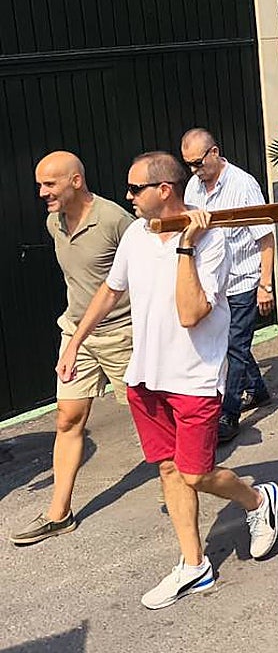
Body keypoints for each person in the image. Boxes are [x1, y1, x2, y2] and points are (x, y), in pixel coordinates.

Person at [57, 152, 278, 609]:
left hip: (194, 378)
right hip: (146, 375)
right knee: (167, 468)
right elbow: (110, 289)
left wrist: (186, 245)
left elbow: (191, 313)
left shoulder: (210, 237)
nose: (127, 196)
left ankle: (257, 501)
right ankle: (194, 564)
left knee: (196, 473)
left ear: (164, 190)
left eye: (135, 188)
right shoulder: (136, 234)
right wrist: (75, 341)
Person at [9, 153, 134, 547]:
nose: (42, 193)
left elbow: (146, 273)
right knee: (67, 419)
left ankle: (190, 480)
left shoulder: (116, 221)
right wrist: (76, 336)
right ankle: (58, 514)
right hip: (76, 333)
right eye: (40, 185)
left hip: (121, 333)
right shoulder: (54, 222)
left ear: (76, 181)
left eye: (49, 184)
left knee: (152, 415)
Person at [181, 128, 274, 443]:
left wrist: (265, 284)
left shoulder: (244, 185)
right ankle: (257, 389)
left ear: (215, 152)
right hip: (213, 284)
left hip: (242, 280)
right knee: (229, 344)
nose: (194, 171)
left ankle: (228, 415)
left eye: (198, 163)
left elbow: (265, 237)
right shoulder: (193, 188)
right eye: (189, 165)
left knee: (235, 346)